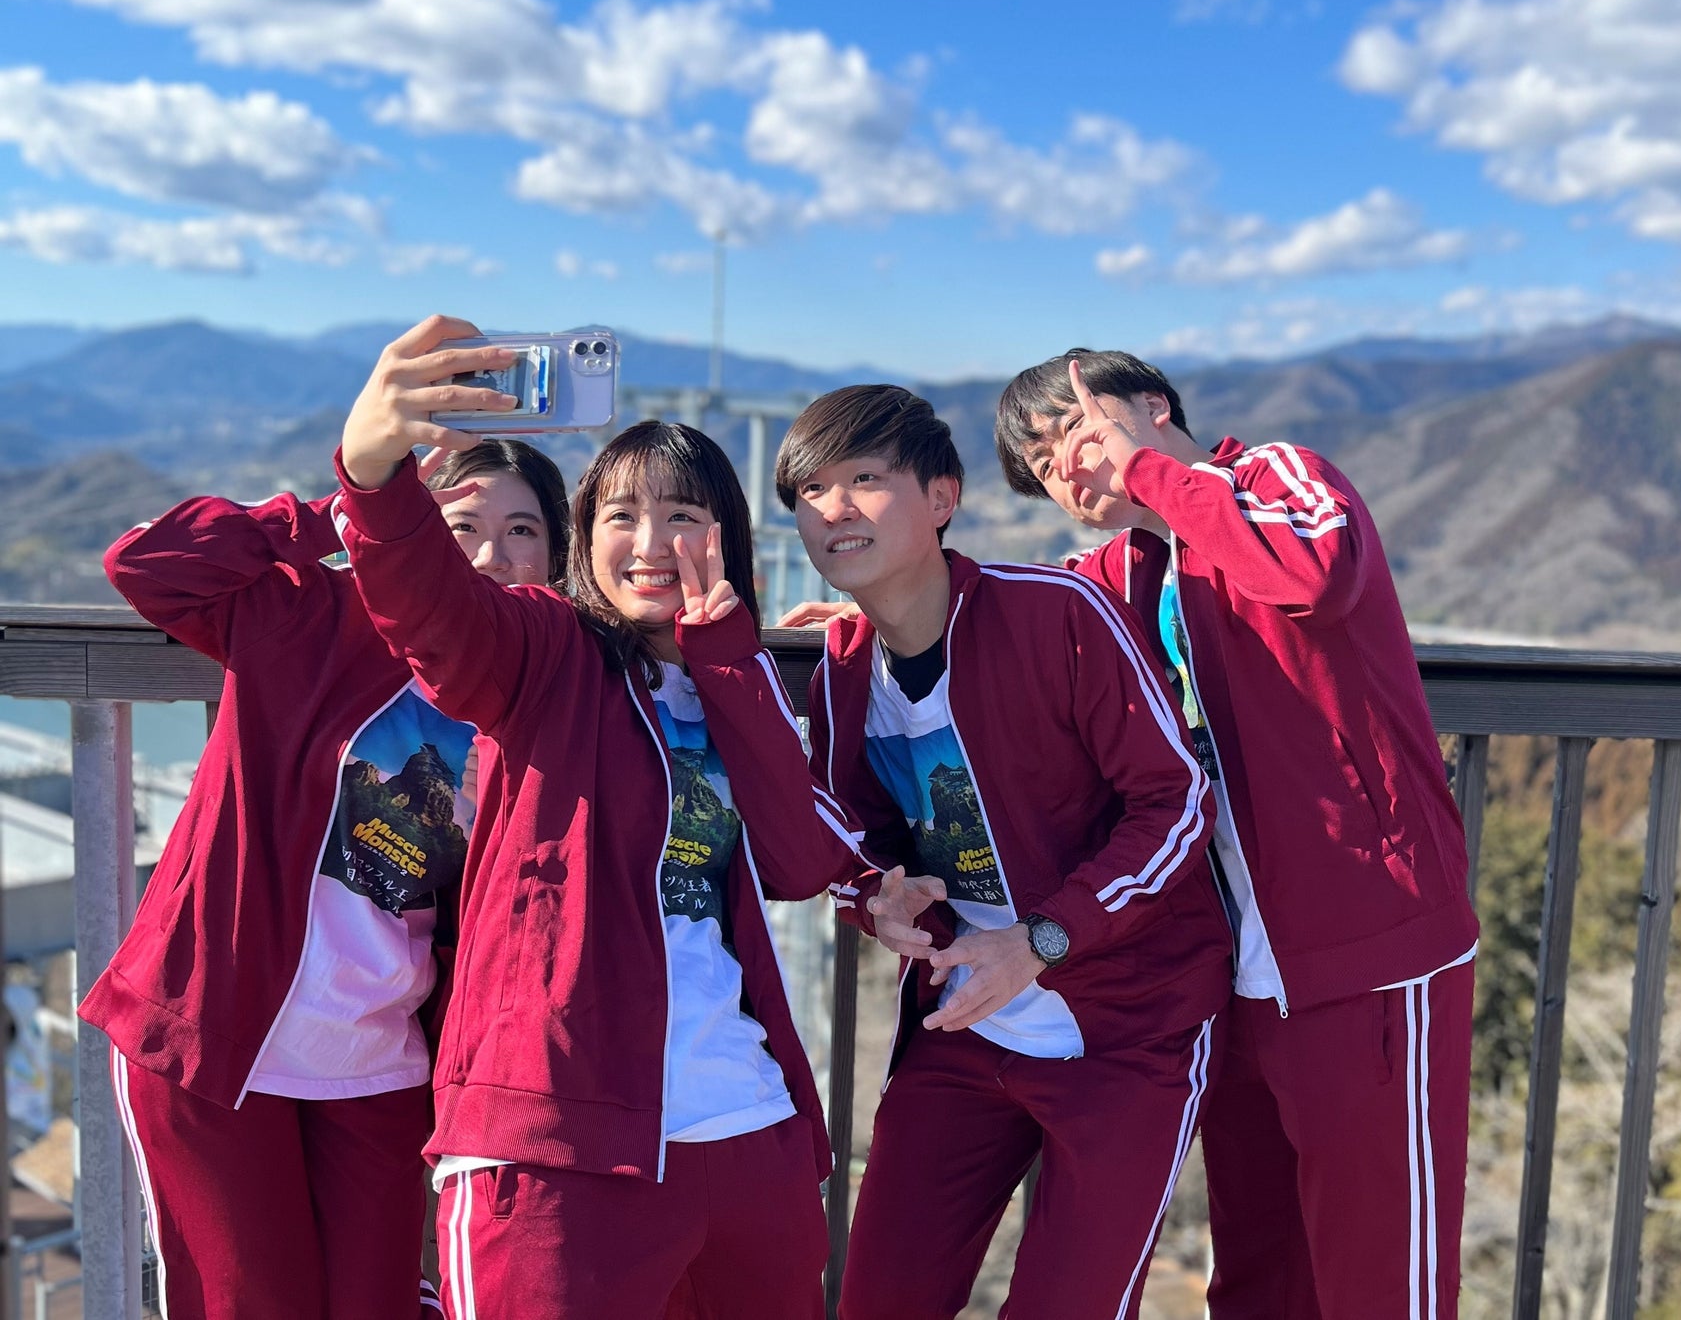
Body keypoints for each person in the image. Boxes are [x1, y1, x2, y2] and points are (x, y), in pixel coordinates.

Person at [333, 315, 856, 1320]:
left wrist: (730, 656)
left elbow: (799, 862)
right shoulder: (547, 652)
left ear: (727, 538)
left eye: (683, 515)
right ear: (584, 537)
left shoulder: (735, 678)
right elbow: (432, 612)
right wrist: (372, 472)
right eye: (621, 516)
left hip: (747, 1130)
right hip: (556, 1140)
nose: (651, 545)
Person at [994, 348, 1480, 1319]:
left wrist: (1149, 472)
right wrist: (877, 620)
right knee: (1259, 1275)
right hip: (1241, 970)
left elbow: (1314, 575)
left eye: (1079, 431)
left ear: (1153, 407)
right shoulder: (1120, 575)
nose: (1070, 468)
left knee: (1382, 1278)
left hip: (1369, 945)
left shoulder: (1275, 480)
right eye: (1045, 466)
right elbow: (999, 624)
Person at [79, 434, 569, 1319]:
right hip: (219, 1038)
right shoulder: (313, 614)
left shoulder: (545, 696)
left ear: (555, 560)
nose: (490, 554)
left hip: (382, 1061)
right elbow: (144, 563)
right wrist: (340, 512)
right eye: (459, 525)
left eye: (521, 530)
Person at [772, 384, 1233, 1320]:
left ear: (942, 497)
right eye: (811, 491)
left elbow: (1178, 802)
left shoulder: (1057, 616)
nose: (836, 509)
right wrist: (876, 903)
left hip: (1129, 1029)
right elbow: (862, 849)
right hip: (965, 1024)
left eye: (866, 479)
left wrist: (1041, 940)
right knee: (879, 1301)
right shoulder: (845, 672)